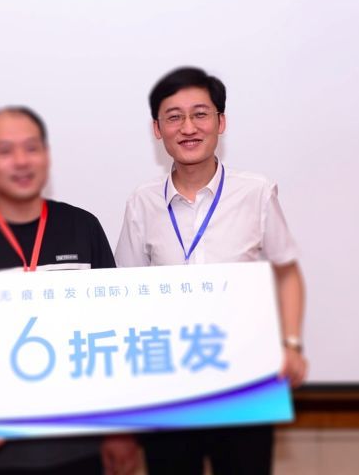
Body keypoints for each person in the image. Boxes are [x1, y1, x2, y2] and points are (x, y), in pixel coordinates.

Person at [114, 67, 308, 474]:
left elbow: (287, 271)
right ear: (157, 129)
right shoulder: (142, 202)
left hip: (244, 379)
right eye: (174, 117)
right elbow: (125, 293)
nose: (188, 128)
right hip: (168, 385)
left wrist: (291, 343)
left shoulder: (255, 191)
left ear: (221, 122)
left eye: (200, 114)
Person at [0, 106, 137, 475]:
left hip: (77, 445)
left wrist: (120, 428)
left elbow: (115, 329)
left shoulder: (82, 227)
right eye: (5, 151)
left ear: (47, 154)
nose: (21, 161)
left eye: (31, 147)